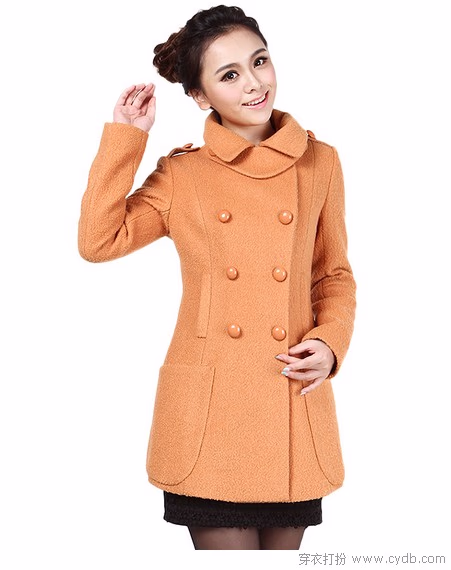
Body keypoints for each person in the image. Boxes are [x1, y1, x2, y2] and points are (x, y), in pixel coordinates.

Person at [78, 4, 357, 550]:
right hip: (212, 414)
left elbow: (333, 274)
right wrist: (126, 139)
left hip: (291, 399)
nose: (254, 83)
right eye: (229, 75)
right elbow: (98, 240)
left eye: (260, 61)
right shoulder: (183, 174)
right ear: (200, 96)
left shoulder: (319, 161)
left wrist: (331, 343)